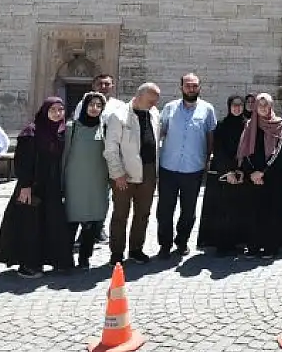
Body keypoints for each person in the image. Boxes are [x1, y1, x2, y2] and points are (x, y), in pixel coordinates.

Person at [0, 98, 73, 277]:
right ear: (44, 110)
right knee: (30, 225)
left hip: (52, 186)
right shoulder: (31, 132)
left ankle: (55, 261)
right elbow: (22, 162)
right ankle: (28, 264)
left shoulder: (61, 132)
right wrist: (25, 186)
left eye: (61, 109)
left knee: (52, 223)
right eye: (53, 109)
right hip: (33, 186)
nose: (57, 113)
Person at [156, 73, 217, 259]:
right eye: (188, 85)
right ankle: (164, 244)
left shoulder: (207, 109)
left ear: (200, 87)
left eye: (195, 85)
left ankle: (181, 242)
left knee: (188, 211)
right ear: (181, 87)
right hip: (168, 166)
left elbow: (210, 136)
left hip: (193, 168)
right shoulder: (169, 108)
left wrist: (208, 159)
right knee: (164, 210)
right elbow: (161, 132)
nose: (191, 88)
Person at [103, 83, 162, 266]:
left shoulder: (154, 113)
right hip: (125, 173)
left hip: (149, 170)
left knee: (143, 213)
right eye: (151, 100)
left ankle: (136, 249)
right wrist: (117, 173)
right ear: (139, 96)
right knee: (121, 214)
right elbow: (111, 149)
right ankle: (117, 252)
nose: (154, 104)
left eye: (156, 101)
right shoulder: (118, 115)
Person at [62, 92, 110, 269]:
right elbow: (64, 156)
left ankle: (84, 258)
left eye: (99, 106)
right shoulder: (71, 128)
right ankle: (65, 259)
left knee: (91, 223)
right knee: (71, 222)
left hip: (96, 183)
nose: (94, 108)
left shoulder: (104, 128)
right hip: (75, 183)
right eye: (91, 104)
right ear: (84, 106)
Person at [237, 93, 282, 258]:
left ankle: (270, 247)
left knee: (271, 212)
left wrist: (263, 172)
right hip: (253, 177)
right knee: (253, 212)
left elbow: (278, 152)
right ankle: (253, 246)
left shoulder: (278, 124)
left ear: (271, 106)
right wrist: (252, 173)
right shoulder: (250, 125)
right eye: (260, 105)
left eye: (266, 105)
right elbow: (244, 151)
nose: (263, 108)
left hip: (272, 176)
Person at [198, 94, 247, 256]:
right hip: (225, 174)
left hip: (242, 174)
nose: (237, 108)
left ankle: (238, 242)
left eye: (240, 105)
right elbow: (218, 150)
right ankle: (223, 244)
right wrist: (229, 171)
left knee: (239, 210)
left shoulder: (247, 126)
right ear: (229, 106)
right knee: (223, 211)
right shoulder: (222, 125)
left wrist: (241, 170)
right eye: (234, 105)